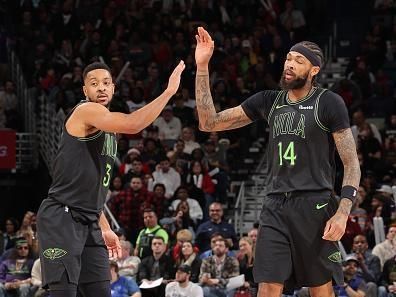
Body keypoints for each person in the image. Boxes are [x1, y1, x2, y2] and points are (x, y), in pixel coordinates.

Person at [194, 27, 361, 297]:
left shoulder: (329, 103)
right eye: (288, 58)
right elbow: (208, 122)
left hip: (315, 204)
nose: (290, 65)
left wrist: (343, 211)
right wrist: (202, 67)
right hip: (274, 205)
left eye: (299, 61)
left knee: (320, 289)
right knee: (268, 286)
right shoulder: (269, 101)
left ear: (314, 70)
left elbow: (351, 163)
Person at [36, 60, 185, 297]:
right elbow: (134, 123)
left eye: (106, 83)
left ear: (114, 88)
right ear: (85, 91)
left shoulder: (108, 130)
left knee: (100, 291)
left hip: (90, 219)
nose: (101, 88)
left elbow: (93, 186)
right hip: (62, 218)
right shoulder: (87, 111)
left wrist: (104, 226)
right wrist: (169, 92)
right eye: (94, 84)